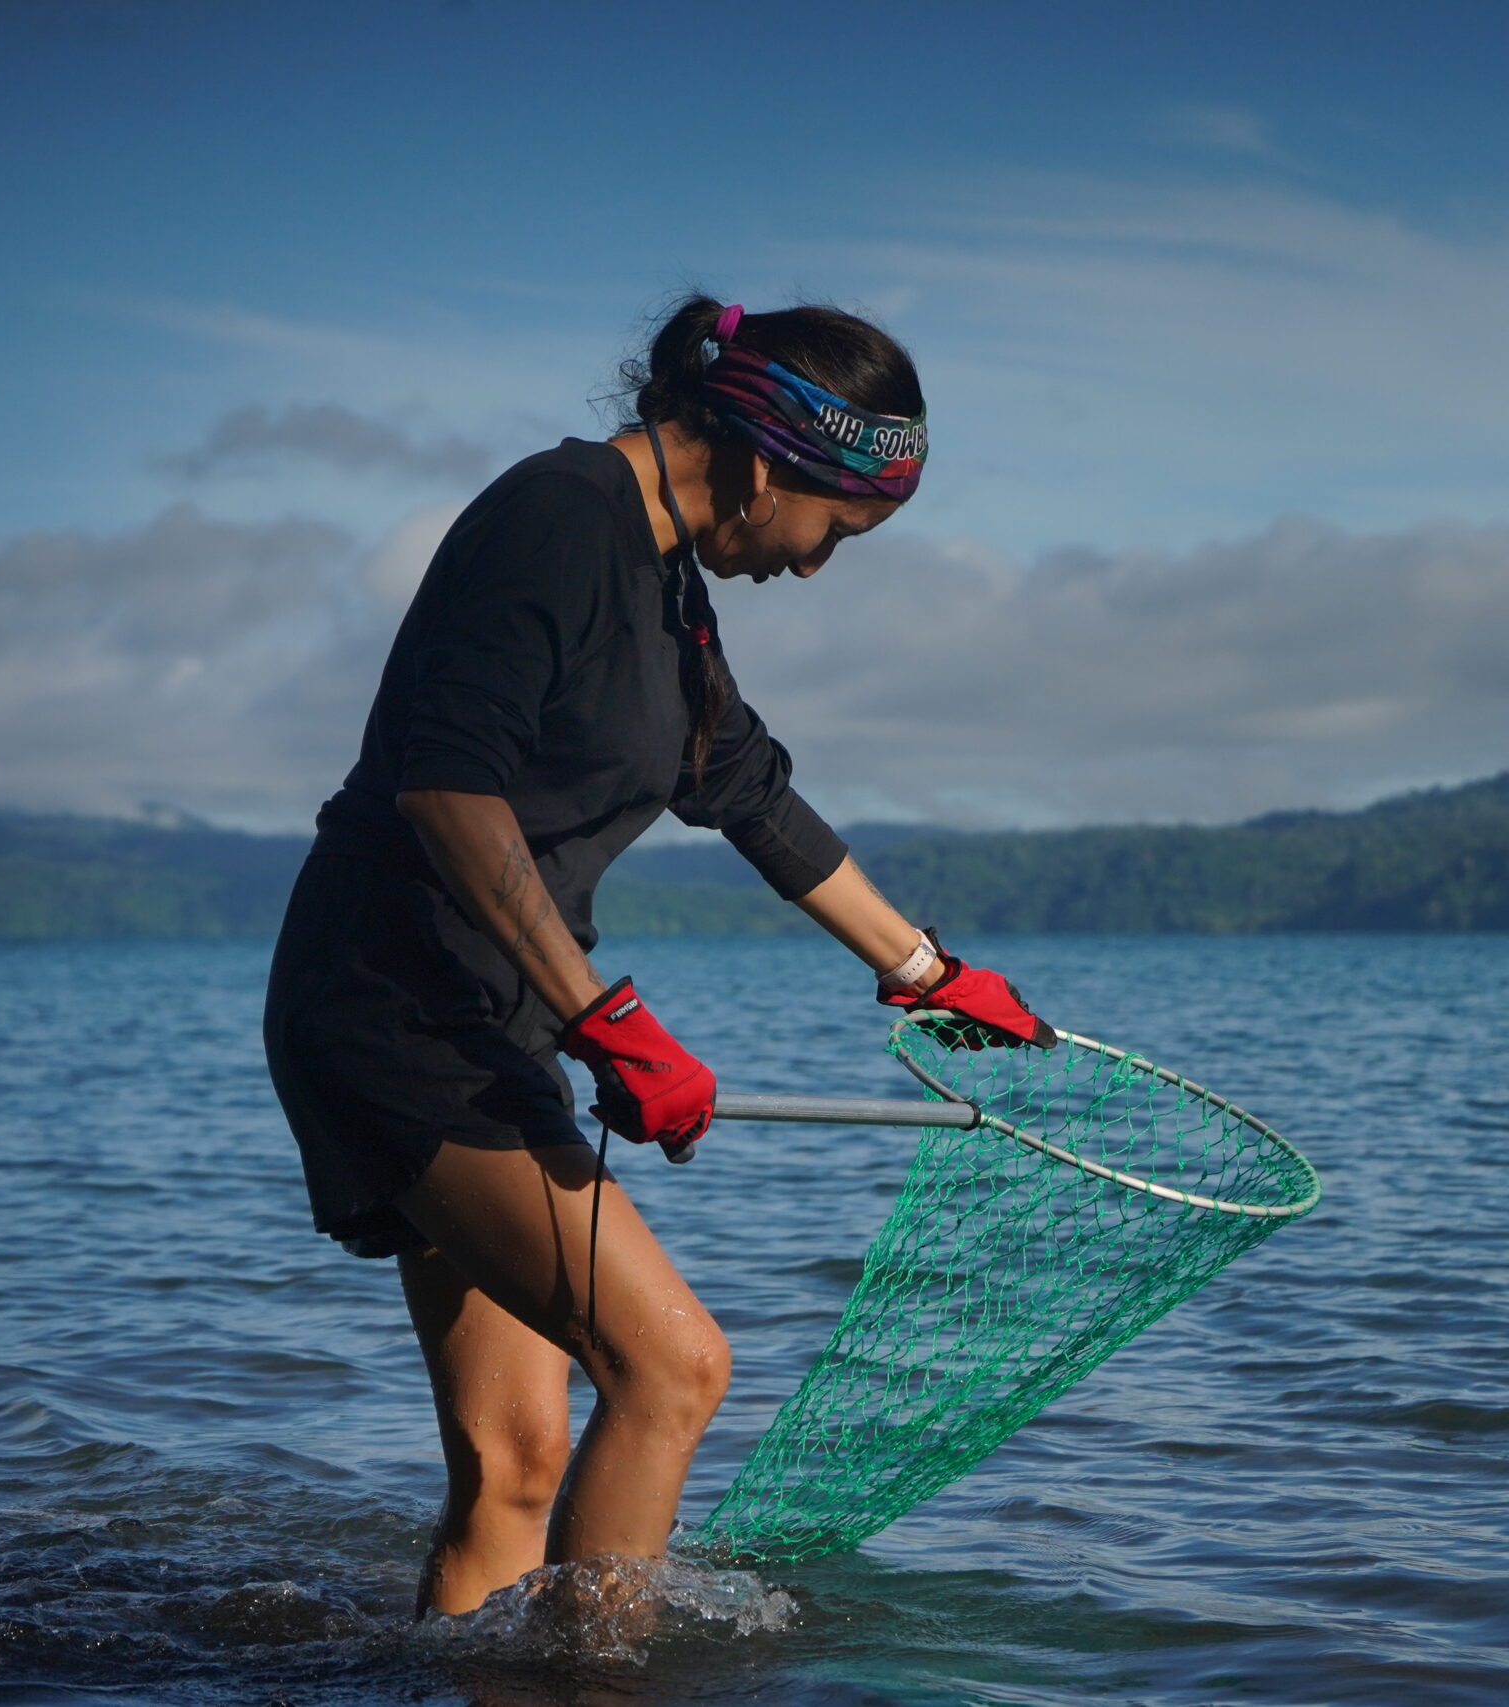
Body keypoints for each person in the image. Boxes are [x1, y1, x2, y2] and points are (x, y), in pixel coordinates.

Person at [261, 295, 1054, 1616]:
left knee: (515, 1466)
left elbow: (743, 791)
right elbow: (449, 791)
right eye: (834, 533)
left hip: (488, 1012)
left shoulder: (668, 582)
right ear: (762, 466)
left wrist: (926, 970)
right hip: (393, 1006)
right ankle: (592, 1691)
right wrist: (604, 1017)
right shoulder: (557, 519)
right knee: (673, 1369)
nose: (815, 567)